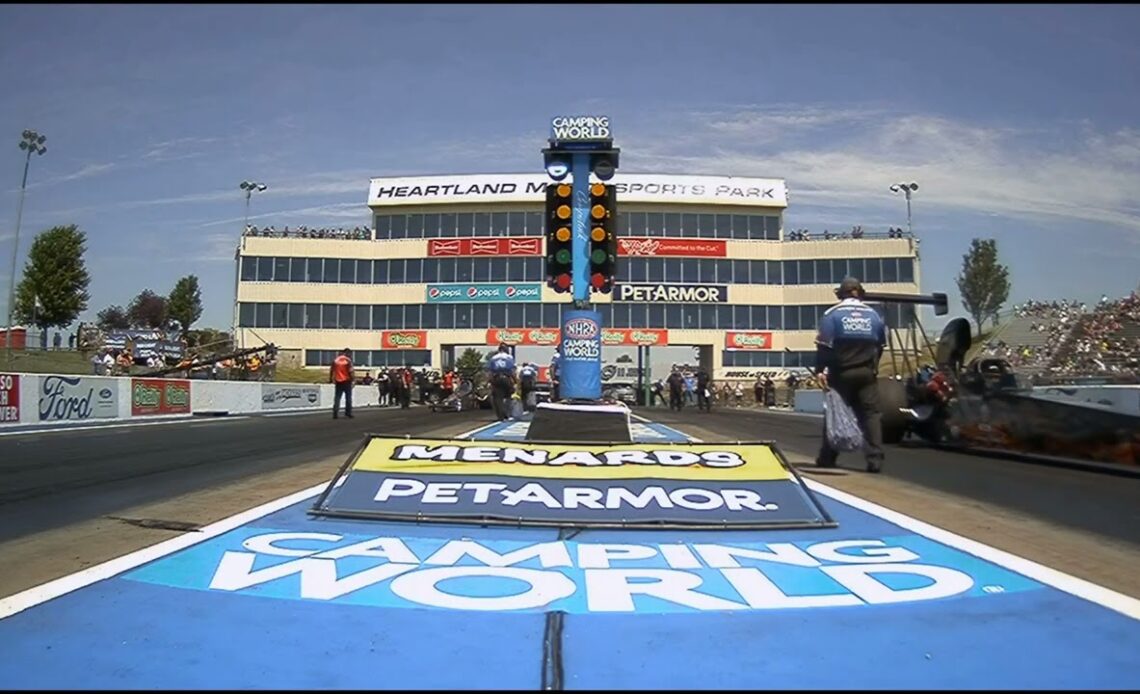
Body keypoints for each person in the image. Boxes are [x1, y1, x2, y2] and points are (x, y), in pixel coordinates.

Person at [814, 277, 887, 473]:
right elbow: (880, 346)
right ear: (860, 292)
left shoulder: (832, 315)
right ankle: (875, 459)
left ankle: (828, 457)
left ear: (840, 294)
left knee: (835, 412)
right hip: (866, 373)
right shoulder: (874, 316)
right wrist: (873, 367)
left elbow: (824, 346)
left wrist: (820, 370)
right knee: (871, 415)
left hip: (841, 373)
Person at [487, 344, 517, 420]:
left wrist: (490, 381)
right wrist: (515, 381)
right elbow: (512, 370)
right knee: (508, 396)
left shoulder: (493, 358)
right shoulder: (509, 357)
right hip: (506, 378)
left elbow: (490, 371)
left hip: (496, 378)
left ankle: (501, 416)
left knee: (497, 398)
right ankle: (507, 413)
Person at [330, 348, 355, 419]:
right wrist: (353, 379)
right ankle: (348, 413)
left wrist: (331, 378)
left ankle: (335, 412)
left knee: (337, 397)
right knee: (348, 398)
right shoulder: (348, 360)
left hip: (338, 381)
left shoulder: (336, 360)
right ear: (347, 353)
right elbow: (350, 371)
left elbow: (332, 370)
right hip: (347, 381)